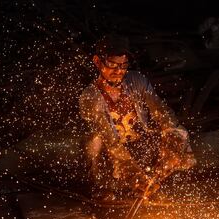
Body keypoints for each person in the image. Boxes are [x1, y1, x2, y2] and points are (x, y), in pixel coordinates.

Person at [79, 34, 196, 201]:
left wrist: (172, 136)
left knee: (174, 135)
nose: (118, 71)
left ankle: (151, 186)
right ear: (98, 62)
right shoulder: (90, 96)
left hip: (136, 144)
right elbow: (110, 140)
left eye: (123, 65)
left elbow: (161, 111)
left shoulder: (136, 80)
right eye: (112, 64)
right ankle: (102, 188)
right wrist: (131, 172)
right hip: (108, 152)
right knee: (94, 142)